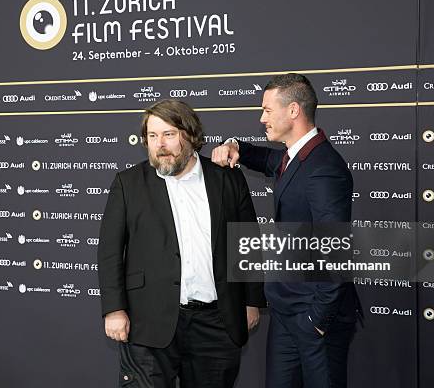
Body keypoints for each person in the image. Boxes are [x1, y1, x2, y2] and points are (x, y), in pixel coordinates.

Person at [97, 99, 266, 388]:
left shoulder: (227, 179)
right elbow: (110, 250)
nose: (159, 144)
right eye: (152, 136)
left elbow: (246, 242)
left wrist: (251, 301)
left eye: (168, 134)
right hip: (148, 321)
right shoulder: (129, 183)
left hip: (216, 323)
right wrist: (114, 309)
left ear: (189, 135)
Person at [211, 73, 361, 388]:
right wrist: (236, 146)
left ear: (293, 111)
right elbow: (269, 159)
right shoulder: (297, 156)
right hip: (287, 311)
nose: (261, 117)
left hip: (315, 316)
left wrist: (316, 321)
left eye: (267, 110)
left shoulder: (324, 169)